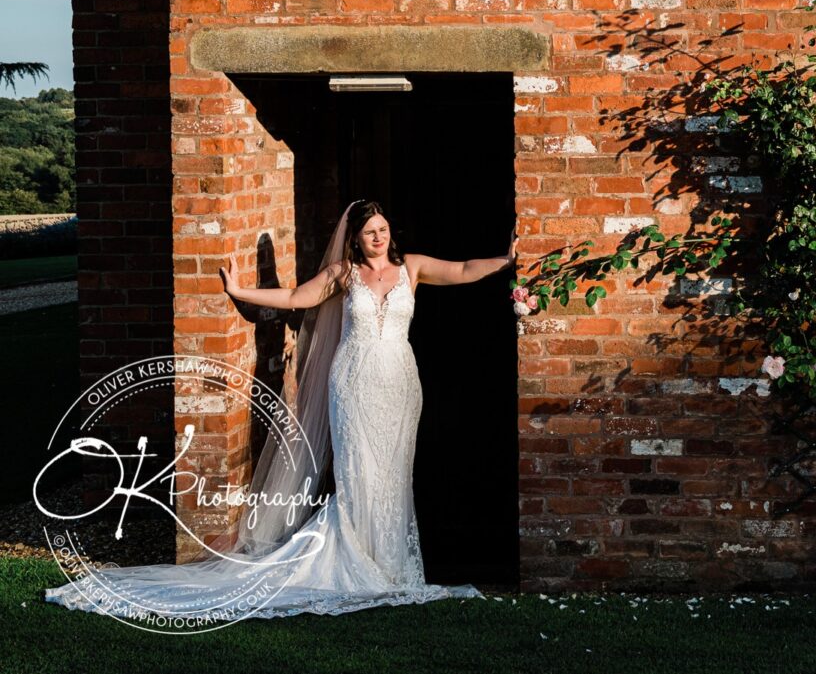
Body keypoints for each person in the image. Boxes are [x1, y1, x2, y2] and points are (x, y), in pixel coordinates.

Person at [42, 199, 515, 620]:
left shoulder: (411, 267)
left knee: (393, 474)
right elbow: (293, 298)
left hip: (399, 385)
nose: (378, 236)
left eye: (383, 228)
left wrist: (505, 261)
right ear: (355, 238)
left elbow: (464, 268)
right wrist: (241, 291)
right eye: (370, 230)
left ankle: (391, 567)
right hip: (351, 384)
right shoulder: (344, 275)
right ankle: (358, 559)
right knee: (357, 475)